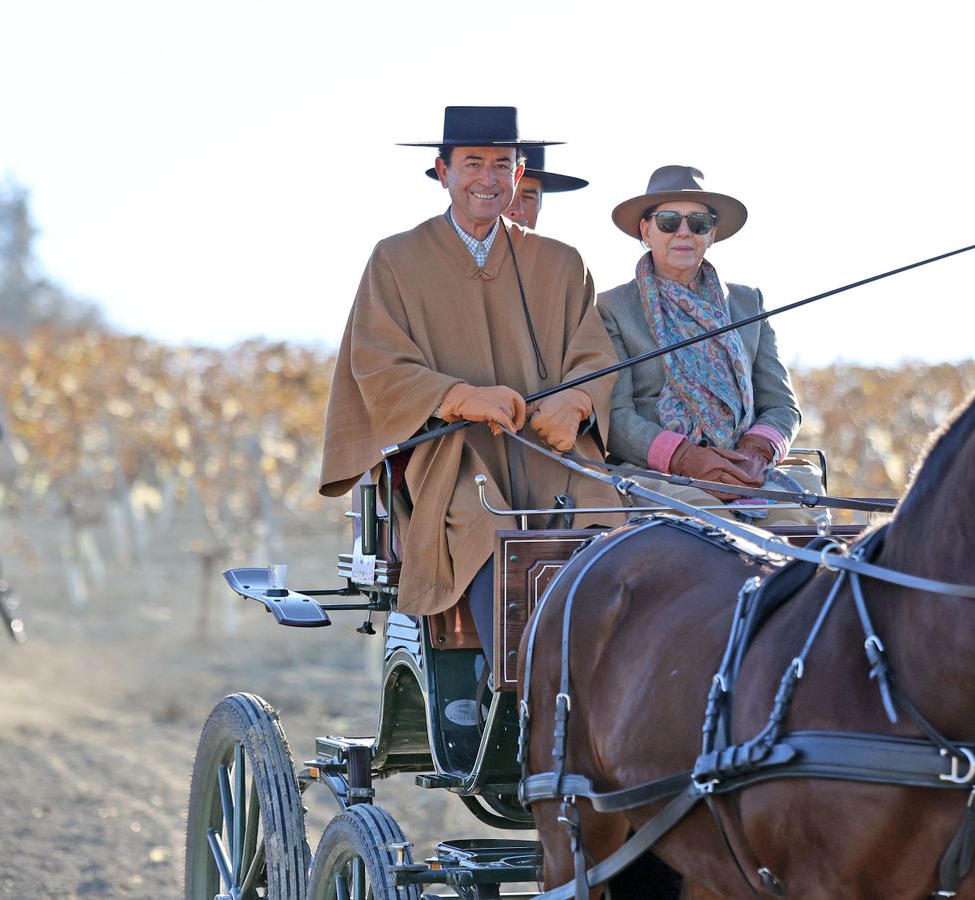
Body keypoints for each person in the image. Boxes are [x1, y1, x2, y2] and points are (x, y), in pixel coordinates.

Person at [320, 106, 623, 662]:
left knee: (609, 531)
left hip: (554, 450)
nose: (487, 178)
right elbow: (378, 364)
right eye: (473, 163)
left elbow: (593, 356)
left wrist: (576, 403)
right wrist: (460, 398)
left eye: (501, 164)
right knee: (484, 530)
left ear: (518, 170)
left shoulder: (561, 262)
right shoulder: (396, 258)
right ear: (443, 171)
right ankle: (510, 690)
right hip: (451, 455)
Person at [598, 165, 822, 526]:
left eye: (698, 223)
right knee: (709, 530)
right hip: (660, 474)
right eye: (669, 221)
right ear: (646, 230)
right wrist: (687, 459)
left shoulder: (749, 304)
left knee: (797, 528)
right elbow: (618, 419)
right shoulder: (613, 308)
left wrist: (755, 453)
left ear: (712, 233)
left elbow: (781, 406)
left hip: (749, 473)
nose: (684, 232)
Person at [425, 144, 587, 230]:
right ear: (444, 173)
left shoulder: (561, 271)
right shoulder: (414, 259)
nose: (516, 209)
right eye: (474, 164)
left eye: (529, 197)